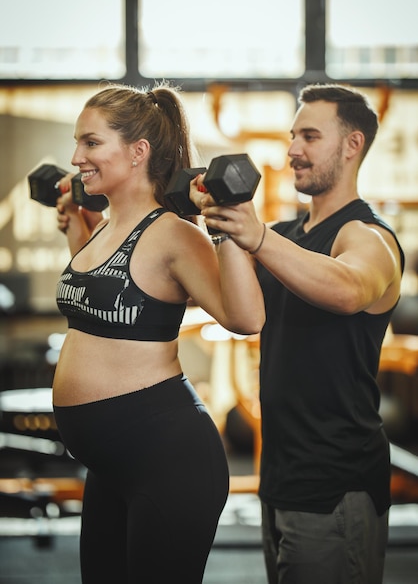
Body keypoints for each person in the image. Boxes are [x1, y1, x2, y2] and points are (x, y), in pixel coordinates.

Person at [52, 81, 265, 584]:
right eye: (78, 142)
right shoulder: (105, 226)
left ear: (137, 151)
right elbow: (102, 304)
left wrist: (224, 226)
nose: (77, 156)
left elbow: (247, 318)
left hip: (168, 460)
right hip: (110, 465)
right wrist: (73, 229)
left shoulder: (172, 232)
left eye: (91, 142)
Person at [191, 83, 405, 584]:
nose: (292, 150)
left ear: (352, 145)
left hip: (336, 485)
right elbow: (227, 303)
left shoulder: (369, 236)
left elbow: (350, 288)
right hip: (281, 478)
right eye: (293, 136)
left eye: (309, 136)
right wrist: (219, 224)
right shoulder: (286, 237)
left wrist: (257, 236)